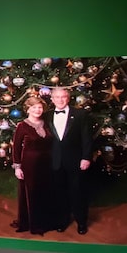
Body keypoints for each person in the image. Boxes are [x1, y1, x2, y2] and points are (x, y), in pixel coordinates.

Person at [46, 87, 93, 235]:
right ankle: (62, 220)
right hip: (54, 161)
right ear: (52, 99)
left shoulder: (80, 114)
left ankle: (81, 222)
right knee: (59, 193)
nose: (60, 100)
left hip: (75, 160)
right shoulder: (46, 116)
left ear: (68, 98)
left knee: (77, 192)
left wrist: (86, 157)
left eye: (63, 97)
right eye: (57, 97)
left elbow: (87, 138)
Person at [11, 97, 59, 236]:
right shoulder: (22, 126)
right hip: (30, 166)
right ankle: (34, 224)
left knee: (47, 192)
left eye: (39, 107)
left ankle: (47, 221)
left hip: (47, 165)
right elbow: (16, 149)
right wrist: (17, 167)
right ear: (28, 109)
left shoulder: (47, 124)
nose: (37, 110)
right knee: (32, 193)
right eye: (34, 107)